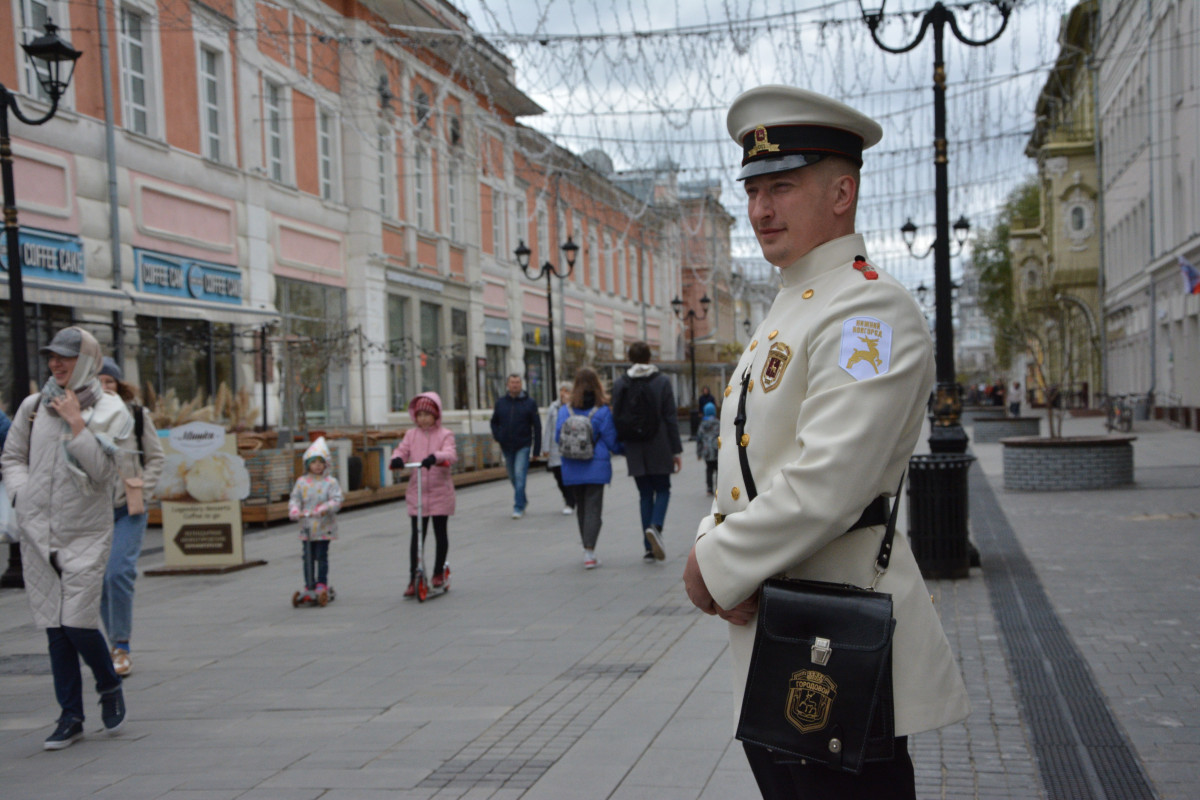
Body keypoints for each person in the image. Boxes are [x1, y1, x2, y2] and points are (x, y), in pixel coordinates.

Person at [682, 86, 969, 799]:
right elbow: (749, 470)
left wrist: (714, 564)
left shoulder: (867, 309)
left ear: (842, 192)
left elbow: (830, 481)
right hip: (784, 633)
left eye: (782, 186)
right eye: (753, 189)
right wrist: (719, 546)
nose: (760, 209)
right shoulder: (794, 305)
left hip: (838, 648)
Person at [1, 327, 134, 750]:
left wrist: (77, 423)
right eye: (52, 357)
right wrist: (21, 493)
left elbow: (102, 473)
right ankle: (70, 716)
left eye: (66, 357)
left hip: (85, 531)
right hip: (38, 530)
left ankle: (108, 683)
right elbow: (11, 455)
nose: (56, 364)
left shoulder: (112, 410)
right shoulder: (32, 405)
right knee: (55, 629)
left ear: (89, 361)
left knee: (76, 620)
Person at [97, 357, 165, 677]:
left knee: (118, 572)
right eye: (97, 381)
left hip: (128, 507)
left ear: (119, 385)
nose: (103, 387)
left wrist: (142, 488)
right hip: (91, 512)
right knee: (97, 580)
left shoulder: (136, 415)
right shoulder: (80, 419)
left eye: (109, 381)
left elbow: (156, 457)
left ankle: (121, 645)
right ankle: (112, 643)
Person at [611, 341, 683, 561]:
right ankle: (656, 526)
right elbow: (670, 417)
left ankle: (648, 548)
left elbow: (616, 416)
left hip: (635, 447)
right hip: (659, 443)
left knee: (644, 494)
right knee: (663, 489)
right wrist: (676, 450)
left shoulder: (620, 383)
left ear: (630, 358)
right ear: (650, 357)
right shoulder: (661, 382)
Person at [389, 392, 457, 596]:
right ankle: (414, 577)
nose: (424, 418)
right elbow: (401, 450)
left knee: (440, 532)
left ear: (436, 415)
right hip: (417, 492)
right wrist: (397, 459)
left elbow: (451, 454)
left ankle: (438, 572)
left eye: (428, 414)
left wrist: (435, 457)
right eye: (420, 415)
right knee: (417, 536)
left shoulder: (445, 434)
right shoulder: (411, 435)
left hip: (439, 491)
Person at [556, 367, 623, 569]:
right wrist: (624, 449)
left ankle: (587, 549)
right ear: (597, 385)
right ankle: (589, 552)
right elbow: (611, 439)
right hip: (596, 465)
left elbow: (557, 436)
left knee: (582, 508)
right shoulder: (602, 410)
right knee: (593, 509)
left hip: (572, 465)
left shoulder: (564, 410)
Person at [288, 436, 344, 606]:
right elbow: (295, 498)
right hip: (307, 527)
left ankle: (321, 584)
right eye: (314, 462)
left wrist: (325, 507)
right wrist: (295, 510)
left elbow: (337, 499)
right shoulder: (302, 482)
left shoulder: (330, 482)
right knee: (307, 557)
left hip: (323, 526)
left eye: (320, 462)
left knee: (321, 555)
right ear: (308, 465)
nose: (317, 466)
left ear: (326, 464)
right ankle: (309, 584)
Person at [490, 374, 541, 519]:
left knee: (520, 475)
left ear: (521, 385)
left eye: (517, 382)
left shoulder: (529, 403)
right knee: (513, 476)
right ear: (507, 385)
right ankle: (523, 500)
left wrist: (536, 449)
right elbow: (494, 422)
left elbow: (536, 426)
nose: (515, 385)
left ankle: (518, 506)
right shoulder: (501, 403)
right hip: (506, 445)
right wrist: (498, 436)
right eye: (512, 382)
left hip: (523, 445)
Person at [542, 382, 576, 515]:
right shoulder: (553, 407)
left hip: (571, 448)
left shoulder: (575, 406)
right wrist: (545, 448)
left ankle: (570, 501)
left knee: (568, 475)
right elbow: (549, 429)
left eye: (566, 390)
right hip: (555, 448)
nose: (563, 393)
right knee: (558, 475)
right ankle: (567, 496)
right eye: (561, 390)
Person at [695, 402, 720, 496]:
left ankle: (709, 488)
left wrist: (699, 453)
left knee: (709, 469)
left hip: (706, 451)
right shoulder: (718, 423)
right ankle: (719, 487)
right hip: (716, 449)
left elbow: (699, 439)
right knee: (718, 469)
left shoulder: (702, 424)